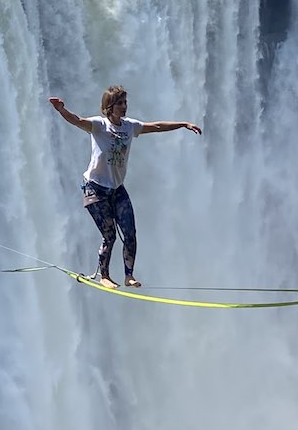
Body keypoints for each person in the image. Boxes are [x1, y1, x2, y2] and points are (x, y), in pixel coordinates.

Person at [49, 86, 201, 289]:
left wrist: (183, 124)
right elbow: (77, 120)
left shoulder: (130, 127)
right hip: (95, 189)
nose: (124, 106)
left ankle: (128, 276)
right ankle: (104, 276)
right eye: (120, 103)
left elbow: (156, 126)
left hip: (117, 189)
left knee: (130, 232)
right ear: (109, 107)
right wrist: (61, 110)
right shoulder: (99, 125)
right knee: (109, 235)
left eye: (125, 102)